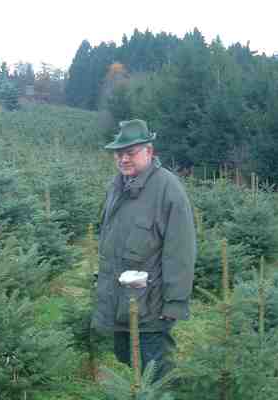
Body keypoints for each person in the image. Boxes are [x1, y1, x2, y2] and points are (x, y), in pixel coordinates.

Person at [92, 119, 196, 379]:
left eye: (131, 152)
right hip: (120, 298)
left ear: (149, 152)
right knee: (125, 356)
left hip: (151, 306)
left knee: (154, 371)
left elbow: (180, 252)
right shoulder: (117, 186)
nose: (124, 159)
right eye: (119, 153)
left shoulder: (168, 189)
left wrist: (174, 304)